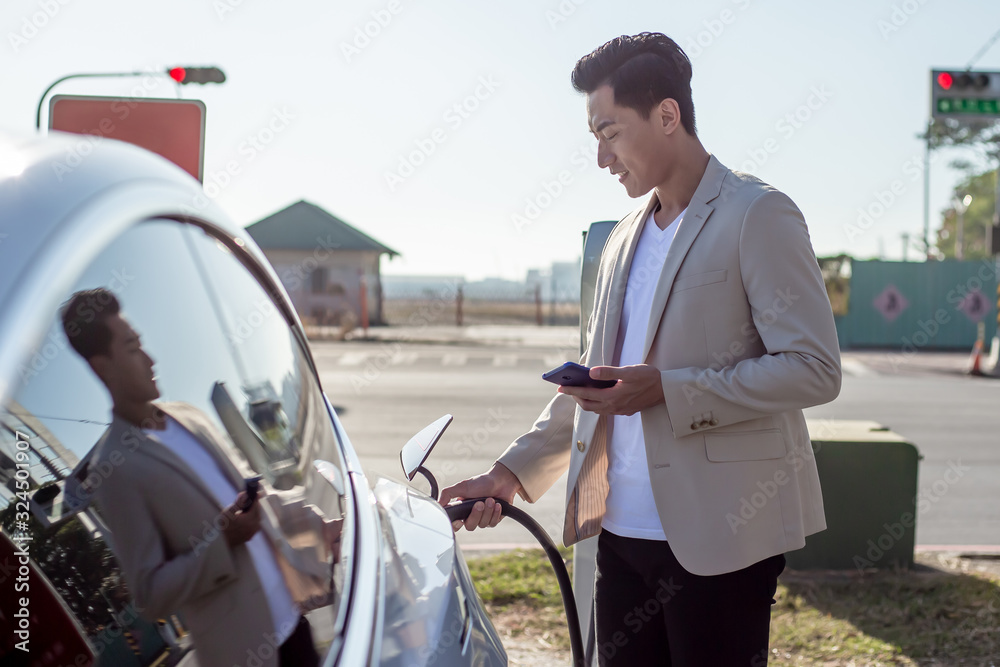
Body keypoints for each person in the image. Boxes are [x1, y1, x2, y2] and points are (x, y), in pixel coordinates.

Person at [439, 33, 842, 666]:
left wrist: (671, 390)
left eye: (610, 133)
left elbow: (814, 369)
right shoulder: (622, 238)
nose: (602, 158)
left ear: (666, 115)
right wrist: (510, 474)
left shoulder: (757, 215)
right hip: (618, 536)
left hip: (721, 542)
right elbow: (596, 386)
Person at [61, 288, 327, 667]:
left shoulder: (189, 417)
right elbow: (151, 594)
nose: (151, 359)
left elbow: (256, 501)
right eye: (133, 347)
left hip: (295, 622)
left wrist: (323, 522)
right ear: (102, 366)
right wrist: (223, 541)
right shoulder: (115, 470)